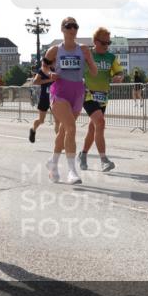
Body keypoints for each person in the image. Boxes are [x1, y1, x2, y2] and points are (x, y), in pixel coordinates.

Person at [42, 18, 97, 185]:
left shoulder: (84, 49)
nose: (72, 29)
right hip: (59, 92)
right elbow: (44, 66)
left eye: (75, 26)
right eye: (69, 26)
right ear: (62, 29)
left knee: (65, 131)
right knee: (71, 128)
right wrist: (50, 73)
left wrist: (93, 65)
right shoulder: (54, 50)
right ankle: (72, 171)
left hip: (77, 92)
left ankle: (53, 162)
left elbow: (93, 71)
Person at [78, 27, 124, 172]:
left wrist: (119, 77)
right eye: (104, 43)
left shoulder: (111, 57)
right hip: (87, 94)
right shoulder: (87, 55)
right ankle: (104, 160)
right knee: (100, 122)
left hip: (103, 95)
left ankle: (83, 154)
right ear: (95, 42)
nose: (107, 46)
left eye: (108, 43)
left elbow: (119, 72)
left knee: (93, 128)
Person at [28, 63, 54, 143]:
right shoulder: (43, 70)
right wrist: (49, 80)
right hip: (44, 97)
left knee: (58, 120)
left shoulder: (58, 68)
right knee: (41, 120)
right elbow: (35, 81)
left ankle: (60, 143)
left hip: (55, 97)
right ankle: (33, 129)